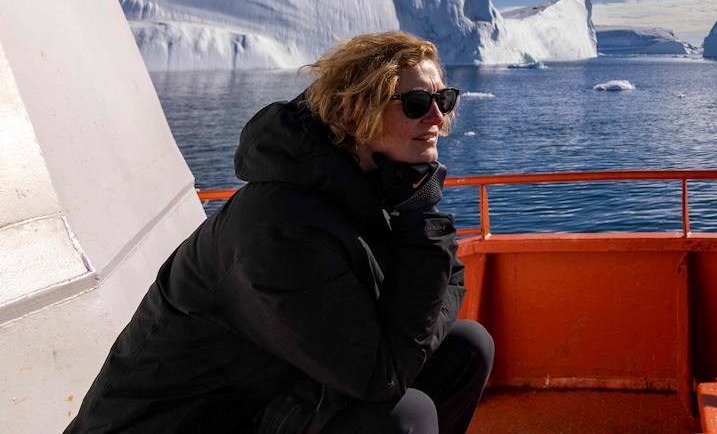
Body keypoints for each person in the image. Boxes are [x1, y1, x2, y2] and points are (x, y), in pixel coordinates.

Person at [66, 31, 494, 433]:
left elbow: (449, 279)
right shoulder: (281, 226)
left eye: (444, 98)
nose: (437, 115)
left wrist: (419, 216)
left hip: (269, 392)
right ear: (356, 108)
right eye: (417, 103)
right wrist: (419, 230)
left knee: (466, 348)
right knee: (401, 416)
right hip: (183, 423)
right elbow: (382, 376)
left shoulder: (378, 184)